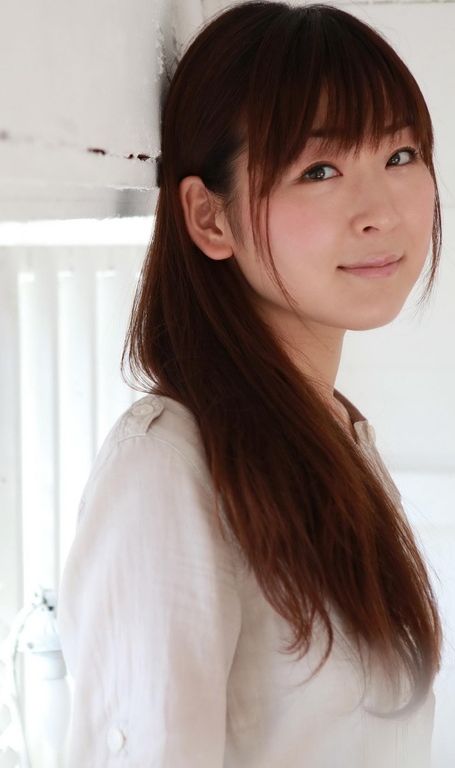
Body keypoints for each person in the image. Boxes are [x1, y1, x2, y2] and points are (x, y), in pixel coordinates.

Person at [57, 2, 443, 766]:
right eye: (320, 170)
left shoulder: (334, 434)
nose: (382, 212)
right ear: (210, 219)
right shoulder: (168, 467)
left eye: (401, 155)